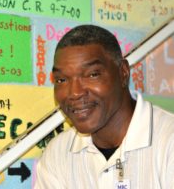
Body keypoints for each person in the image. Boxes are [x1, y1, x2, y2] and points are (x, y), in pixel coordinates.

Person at [34, 25, 174, 188]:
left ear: (123, 73)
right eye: (61, 80)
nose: (75, 93)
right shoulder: (58, 154)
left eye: (92, 75)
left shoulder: (168, 141)